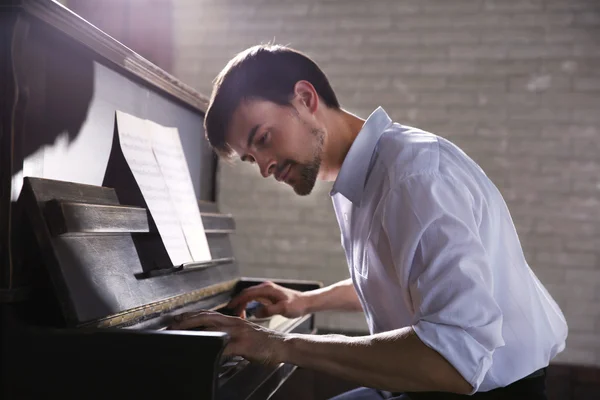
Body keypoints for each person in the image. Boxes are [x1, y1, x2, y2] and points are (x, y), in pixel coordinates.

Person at [168, 44, 568, 399]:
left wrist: (279, 345)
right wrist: (306, 301)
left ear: (306, 98)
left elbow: (456, 359)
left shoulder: (414, 178)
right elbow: (405, 279)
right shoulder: (367, 174)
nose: (265, 167)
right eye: (252, 158)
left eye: (263, 138)